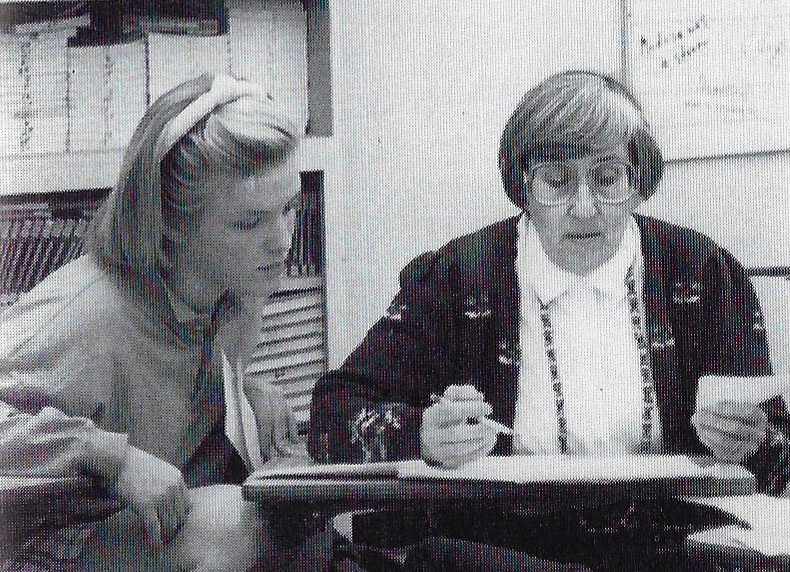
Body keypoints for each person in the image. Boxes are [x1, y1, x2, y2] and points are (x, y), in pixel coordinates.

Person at [307, 70, 790, 571]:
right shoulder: (455, 277)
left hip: (669, 550)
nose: (583, 208)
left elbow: (781, 459)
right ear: (522, 185)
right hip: (502, 552)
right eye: (556, 181)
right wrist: (421, 434)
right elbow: (331, 416)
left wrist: (753, 441)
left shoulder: (703, 274)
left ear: (639, 182)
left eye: (607, 177)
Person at [0, 73, 316, 571]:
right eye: (249, 221)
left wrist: (244, 391)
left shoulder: (230, 294)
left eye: (290, 208)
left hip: (125, 535)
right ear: (173, 222)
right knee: (233, 523)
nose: (281, 241)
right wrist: (112, 458)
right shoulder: (89, 312)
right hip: (37, 551)